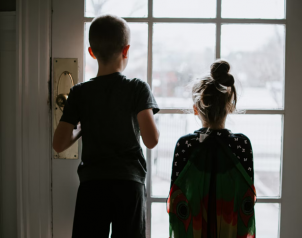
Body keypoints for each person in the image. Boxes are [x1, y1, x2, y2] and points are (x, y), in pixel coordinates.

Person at [53, 15, 160, 238]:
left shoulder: (80, 92)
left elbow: (59, 143)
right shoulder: (137, 88)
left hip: (93, 185)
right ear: (126, 50)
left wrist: (83, 126)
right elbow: (151, 140)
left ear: (91, 52)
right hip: (129, 184)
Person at [167, 60, 256, 237]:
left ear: (195, 109)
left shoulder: (185, 145)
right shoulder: (241, 145)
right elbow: (246, 199)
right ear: (230, 106)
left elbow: (176, 198)